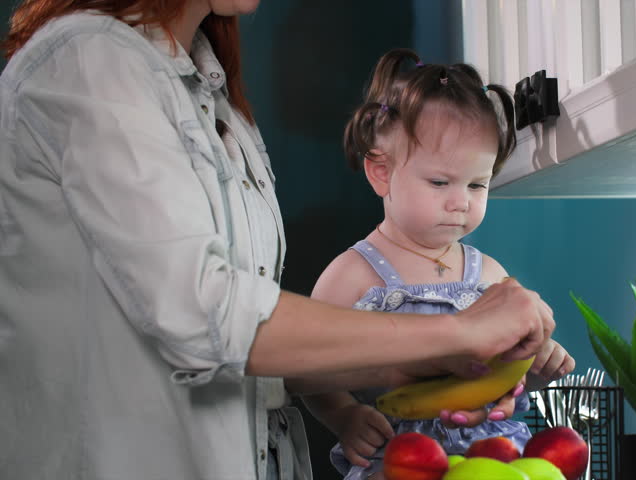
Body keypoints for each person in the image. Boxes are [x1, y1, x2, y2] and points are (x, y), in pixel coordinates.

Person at [0, 2, 557, 480]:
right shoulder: (92, 61)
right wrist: (455, 332)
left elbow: (259, 361)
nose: (460, 199)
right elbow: (206, 313)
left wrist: (442, 364)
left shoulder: (213, 97)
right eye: (441, 181)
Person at [294, 49, 575, 479]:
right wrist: (343, 415)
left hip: (494, 461)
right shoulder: (353, 273)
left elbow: (503, 380)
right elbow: (303, 368)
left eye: (478, 184)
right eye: (440, 182)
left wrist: (536, 368)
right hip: (402, 464)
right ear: (381, 173)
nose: (461, 201)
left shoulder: (492, 275)